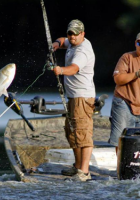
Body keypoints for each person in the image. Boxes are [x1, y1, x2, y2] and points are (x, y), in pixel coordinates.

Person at [52, 19, 95, 181]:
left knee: (83, 133)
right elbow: (63, 41)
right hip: (72, 97)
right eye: (70, 33)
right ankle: (77, 166)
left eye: (76, 34)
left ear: (82, 34)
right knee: (71, 132)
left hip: (82, 97)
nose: (72, 37)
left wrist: (61, 70)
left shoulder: (82, 51)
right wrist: (56, 44)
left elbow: (74, 69)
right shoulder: (72, 42)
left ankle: (84, 172)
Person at [108, 31, 140, 153]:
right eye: (139, 43)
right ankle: (121, 168)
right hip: (124, 103)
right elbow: (118, 79)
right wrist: (137, 74)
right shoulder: (127, 57)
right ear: (135, 43)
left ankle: (139, 167)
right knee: (121, 139)